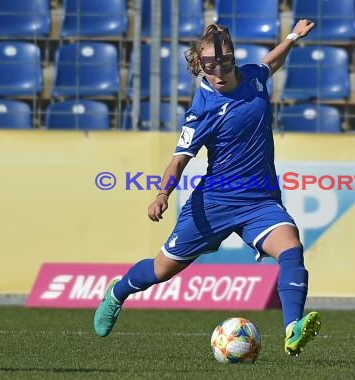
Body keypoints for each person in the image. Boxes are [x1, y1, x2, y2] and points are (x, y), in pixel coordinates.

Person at [94, 20, 320, 356]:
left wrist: (292, 36)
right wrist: (162, 195)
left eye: (224, 63)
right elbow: (178, 162)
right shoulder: (203, 110)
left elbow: (272, 61)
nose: (217, 71)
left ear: (233, 59)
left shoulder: (254, 78)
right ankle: (118, 292)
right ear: (199, 65)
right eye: (208, 65)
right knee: (161, 270)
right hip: (214, 203)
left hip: (259, 201)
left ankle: (292, 329)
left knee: (291, 249)